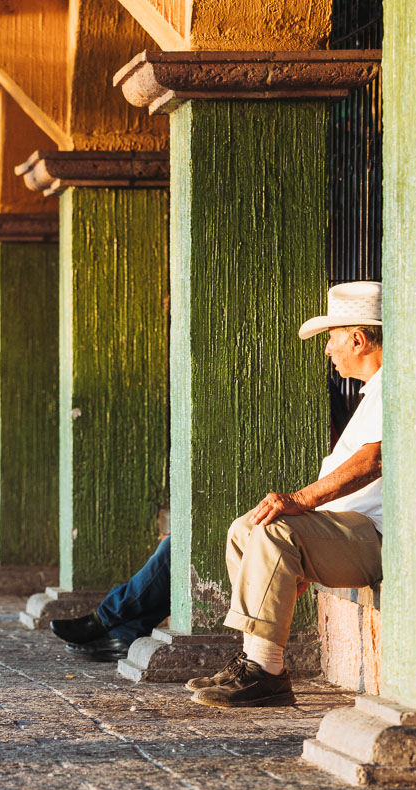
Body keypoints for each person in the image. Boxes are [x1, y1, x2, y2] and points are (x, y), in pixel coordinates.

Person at [51, 281, 385, 708]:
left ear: (357, 339)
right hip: (347, 531)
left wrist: (301, 500)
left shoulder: (391, 385)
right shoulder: (372, 389)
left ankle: (266, 673)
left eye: (333, 339)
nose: (328, 350)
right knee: (245, 529)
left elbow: (373, 461)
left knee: (277, 530)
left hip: (370, 537)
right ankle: (253, 659)